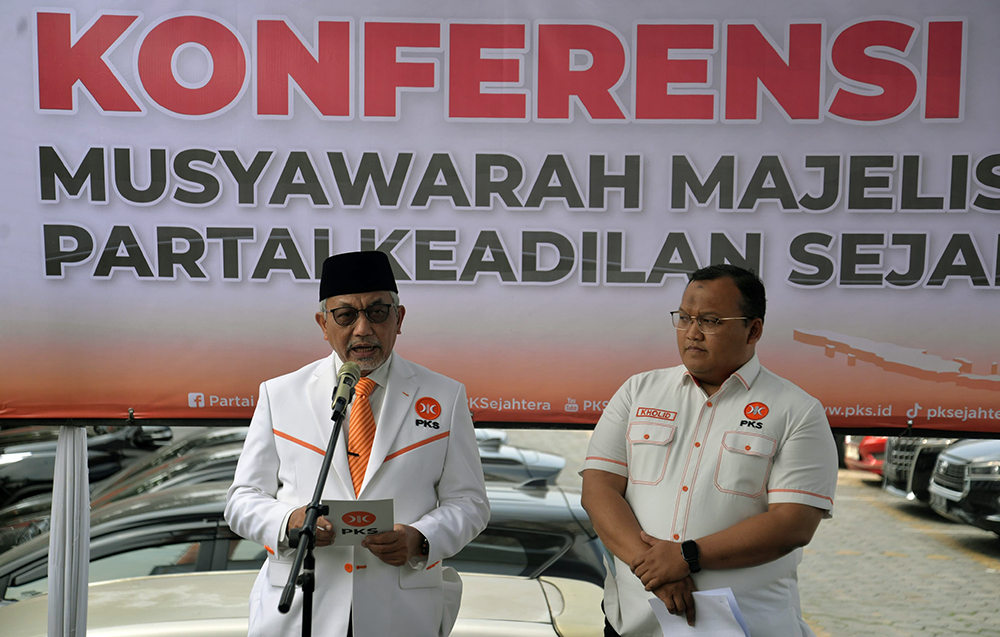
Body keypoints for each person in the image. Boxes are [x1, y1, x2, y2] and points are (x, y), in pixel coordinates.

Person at [225, 250, 490, 637]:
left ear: (399, 319)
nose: (363, 328)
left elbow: (470, 503)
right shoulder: (280, 394)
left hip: (400, 613)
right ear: (323, 323)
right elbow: (242, 499)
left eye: (377, 312)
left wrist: (421, 538)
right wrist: (289, 522)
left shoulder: (445, 396)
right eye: (346, 315)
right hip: (303, 609)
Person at [581, 264, 837, 636]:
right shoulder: (638, 391)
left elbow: (792, 523)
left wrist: (686, 556)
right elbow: (599, 489)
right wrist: (654, 568)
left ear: (754, 329)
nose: (692, 333)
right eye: (684, 318)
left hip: (745, 626)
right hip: (636, 624)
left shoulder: (798, 411)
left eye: (711, 320)